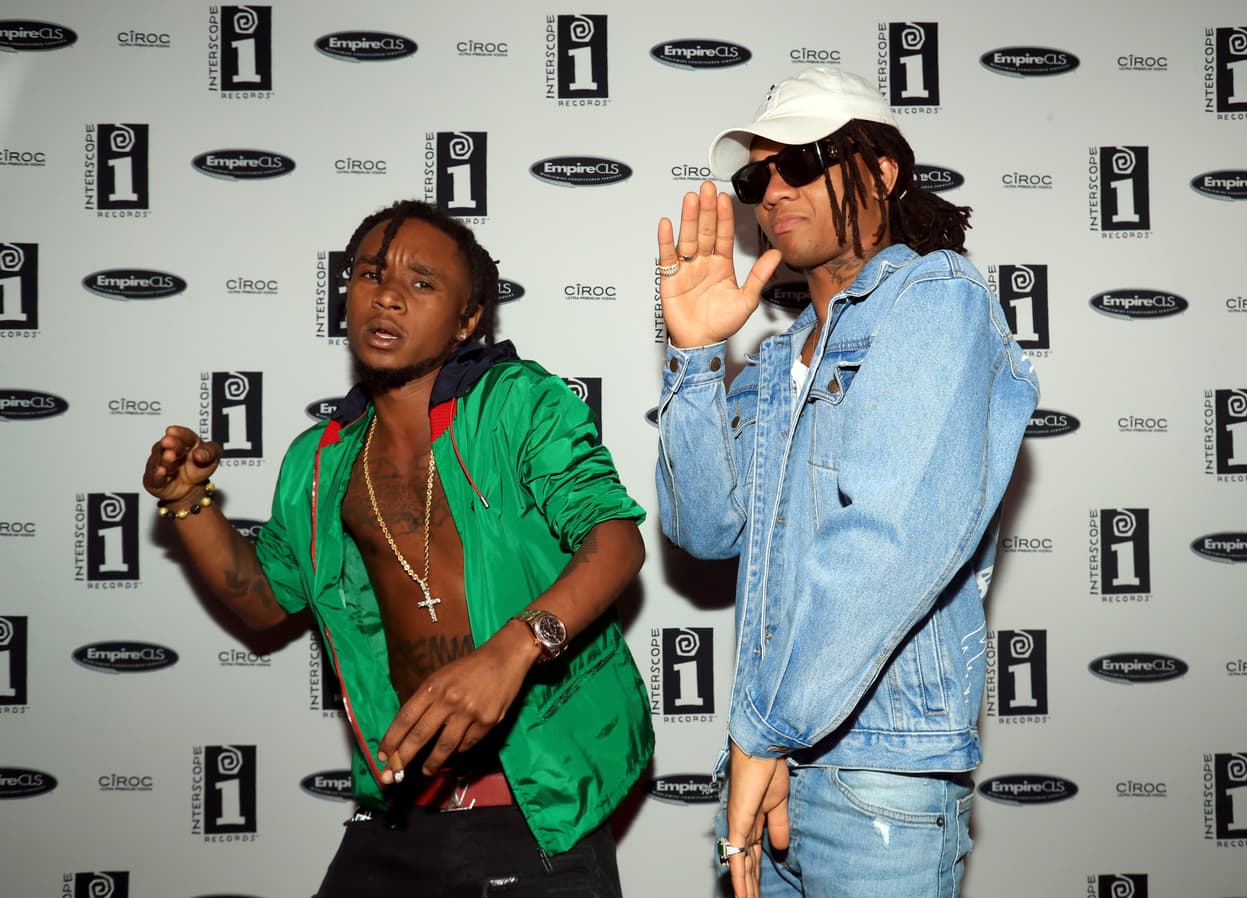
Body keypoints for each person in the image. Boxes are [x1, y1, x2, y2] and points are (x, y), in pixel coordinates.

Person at [144, 199, 653, 897]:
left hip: (537, 814)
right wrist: (187, 503)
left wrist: (513, 650)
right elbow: (265, 602)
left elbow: (615, 540)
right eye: (369, 274)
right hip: (398, 815)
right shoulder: (319, 461)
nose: (387, 295)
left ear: (468, 318)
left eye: (421, 283)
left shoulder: (516, 404)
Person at [653, 67, 1040, 898]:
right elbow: (706, 529)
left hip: (875, 776)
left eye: (804, 160)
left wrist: (765, 730)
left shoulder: (936, 299)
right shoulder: (775, 357)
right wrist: (692, 358)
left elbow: (888, 541)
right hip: (777, 759)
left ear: (884, 170)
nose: (774, 189)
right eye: (758, 175)